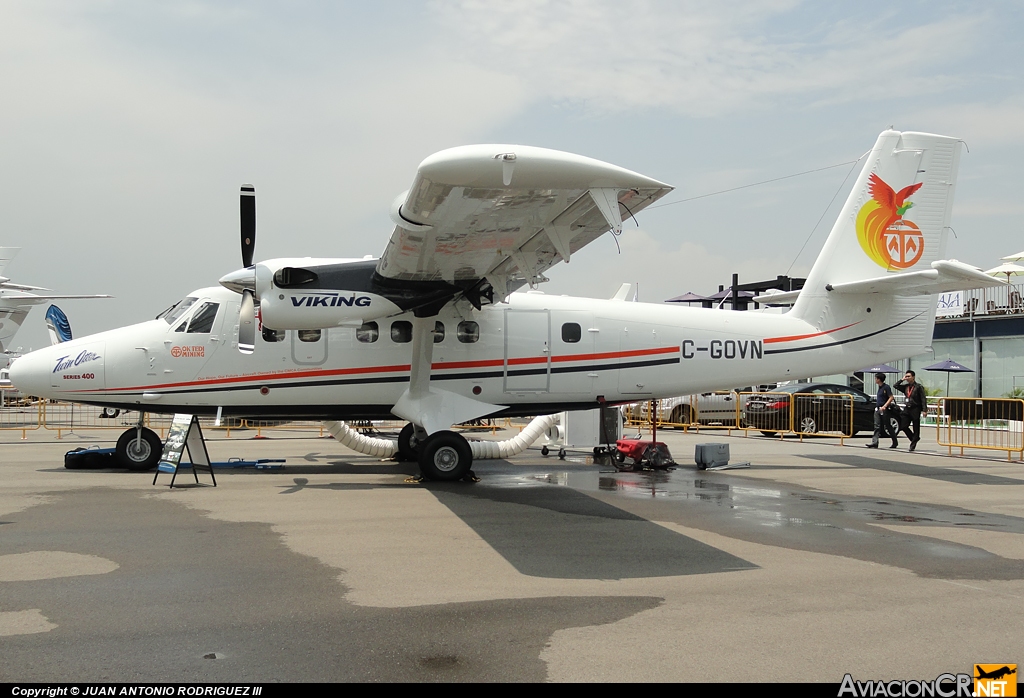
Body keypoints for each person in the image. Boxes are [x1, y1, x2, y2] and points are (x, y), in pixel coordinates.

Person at [894, 370, 926, 451]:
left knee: (916, 426)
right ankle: (914, 438)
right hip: (907, 408)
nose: (907, 378)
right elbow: (895, 386)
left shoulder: (918, 387)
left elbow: (923, 399)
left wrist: (924, 410)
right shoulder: (906, 387)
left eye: (909, 376)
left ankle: (913, 443)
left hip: (915, 408)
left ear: (913, 377)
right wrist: (902, 380)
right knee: (903, 426)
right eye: (906, 376)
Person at [866, 372, 897, 448]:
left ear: (879, 379)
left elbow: (891, 397)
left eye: (876, 378)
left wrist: (884, 406)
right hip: (878, 408)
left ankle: (895, 442)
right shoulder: (879, 388)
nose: (875, 380)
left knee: (888, 425)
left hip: (884, 409)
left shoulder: (886, 387)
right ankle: (875, 442)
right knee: (877, 425)